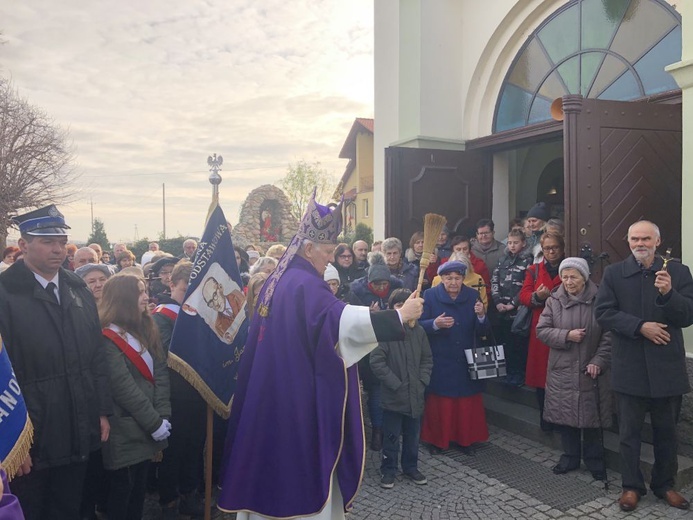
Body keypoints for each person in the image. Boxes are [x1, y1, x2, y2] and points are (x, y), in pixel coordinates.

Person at [217, 194, 424, 519]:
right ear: (308, 247)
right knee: (296, 477)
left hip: (272, 393)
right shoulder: (302, 283)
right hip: (296, 402)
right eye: (327, 252)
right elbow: (339, 322)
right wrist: (399, 316)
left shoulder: (281, 278)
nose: (329, 260)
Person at [0, 205, 111, 520]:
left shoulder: (78, 289)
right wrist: (12, 442)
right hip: (32, 434)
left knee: (68, 508)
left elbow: (96, 357)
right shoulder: (5, 293)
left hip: (77, 423)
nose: (59, 249)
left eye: (62, 241)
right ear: (23, 245)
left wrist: (101, 410)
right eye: (47, 241)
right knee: (33, 509)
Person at [595, 220, 693, 512]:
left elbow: (688, 315)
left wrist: (668, 295)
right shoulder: (614, 273)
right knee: (629, 433)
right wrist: (640, 327)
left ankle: (665, 485)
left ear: (657, 242)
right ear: (628, 242)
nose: (640, 243)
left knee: (666, 432)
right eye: (635, 239)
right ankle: (631, 486)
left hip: (666, 366)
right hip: (631, 366)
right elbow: (603, 313)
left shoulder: (677, 272)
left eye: (646, 239)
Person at [99, 274, 171, 520]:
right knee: (123, 493)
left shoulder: (146, 327)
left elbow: (160, 372)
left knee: (138, 491)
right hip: (126, 428)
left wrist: (163, 415)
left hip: (149, 424)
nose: (146, 297)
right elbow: (123, 387)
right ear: (124, 298)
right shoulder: (107, 336)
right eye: (140, 292)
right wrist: (154, 422)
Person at [536, 257, 612, 480]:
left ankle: (594, 460)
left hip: (592, 367)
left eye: (573, 276)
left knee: (592, 417)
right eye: (564, 276)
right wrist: (566, 335)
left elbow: (609, 335)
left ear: (584, 277)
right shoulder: (554, 300)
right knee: (565, 415)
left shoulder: (601, 299)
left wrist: (599, 361)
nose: (568, 281)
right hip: (563, 367)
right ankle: (569, 457)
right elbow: (542, 330)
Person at [152, 261, 206, 520]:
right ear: (171, 285)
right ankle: (169, 500)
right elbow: (165, 354)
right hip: (174, 394)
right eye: (185, 290)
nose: (188, 296)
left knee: (195, 447)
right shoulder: (161, 316)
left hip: (198, 393)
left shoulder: (198, 314)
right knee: (174, 450)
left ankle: (189, 493)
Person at [419, 260, 490, 455]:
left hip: (468, 357)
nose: (453, 282)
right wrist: (435, 323)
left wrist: (482, 315)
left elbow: (483, 329)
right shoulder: (430, 295)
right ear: (441, 279)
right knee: (440, 403)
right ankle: (437, 441)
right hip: (442, 357)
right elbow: (417, 326)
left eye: (457, 278)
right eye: (449, 278)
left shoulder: (473, 295)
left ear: (463, 279)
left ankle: (466, 440)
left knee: (466, 402)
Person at [370, 288, 433, 489]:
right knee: (391, 436)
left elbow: (427, 359)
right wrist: (395, 384)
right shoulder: (386, 332)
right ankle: (388, 468)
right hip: (394, 396)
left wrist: (422, 381)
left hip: (415, 394)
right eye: (399, 305)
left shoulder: (419, 331)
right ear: (392, 309)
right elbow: (377, 362)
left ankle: (410, 466)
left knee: (413, 435)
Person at [349, 252, 404, 451]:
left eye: (384, 284)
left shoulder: (398, 289)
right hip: (369, 349)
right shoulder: (357, 292)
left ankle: (396, 428)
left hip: (394, 348)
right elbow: (353, 323)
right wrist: (368, 315)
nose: (381, 288)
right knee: (376, 391)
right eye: (376, 284)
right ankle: (378, 431)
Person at [520, 232, 565, 431]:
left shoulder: (569, 268)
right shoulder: (534, 270)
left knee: (563, 375)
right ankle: (545, 418)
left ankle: (563, 418)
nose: (551, 251)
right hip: (541, 328)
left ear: (562, 248)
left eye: (555, 247)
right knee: (541, 377)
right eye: (547, 248)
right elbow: (524, 296)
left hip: (565, 326)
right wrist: (537, 296)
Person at [491, 229, 532, 386]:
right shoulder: (502, 260)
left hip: (518, 311)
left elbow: (527, 285)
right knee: (504, 342)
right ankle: (506, 373)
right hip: (501, 309)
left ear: (523, 243)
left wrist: (512, 304)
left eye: (516, 243)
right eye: (510, 243)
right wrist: (498, 302)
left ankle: (519, 374)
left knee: (518, 345)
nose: (512, 246)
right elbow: (495, 281)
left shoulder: (528, 261)